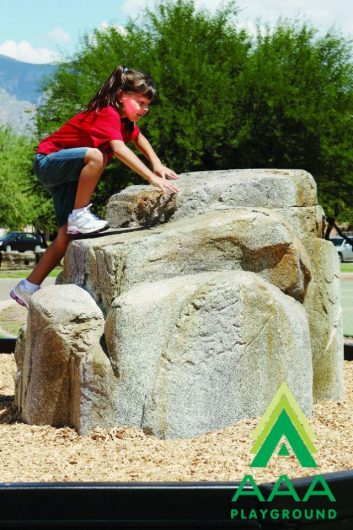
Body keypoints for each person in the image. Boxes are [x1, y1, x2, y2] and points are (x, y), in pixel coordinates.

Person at [10, 65, 179, 308]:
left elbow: (139, 138)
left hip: (68, 176)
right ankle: (80, 214)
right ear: (122, 96)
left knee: (66, 235)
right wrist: (152, 178)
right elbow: (120, 150)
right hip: (48, 162)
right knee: (96, 157)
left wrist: (157, 163)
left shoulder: (125, 122)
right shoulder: (107, 112)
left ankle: (27, 287)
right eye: (140, 102)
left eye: (147, 105)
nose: (144, 109)